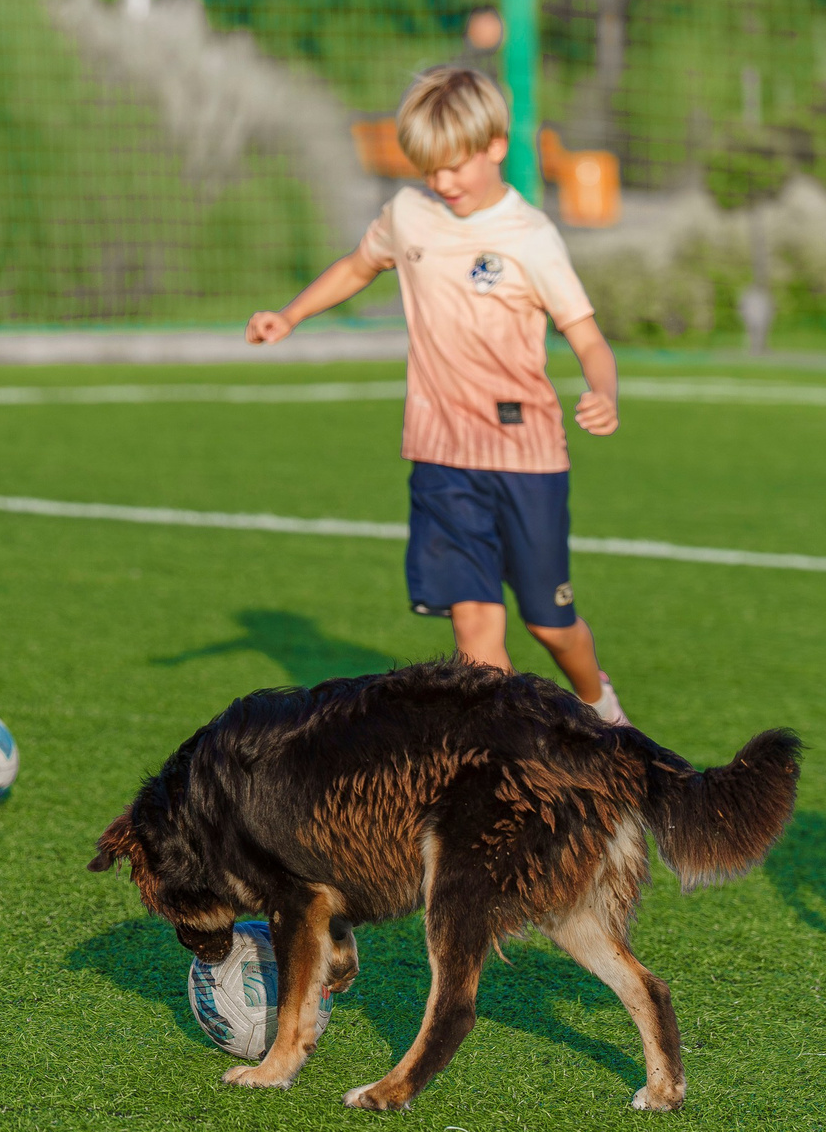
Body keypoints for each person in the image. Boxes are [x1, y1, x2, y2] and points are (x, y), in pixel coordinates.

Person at [245, 65, 628, 723]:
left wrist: (603, 392)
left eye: (454, 167)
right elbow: (358, 266)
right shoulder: (408, 215)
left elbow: (589, 337)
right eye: (430, 170)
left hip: (526, 457)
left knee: (550, 624)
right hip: (442, 456)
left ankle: (602, 709)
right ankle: (516, 760)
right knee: (476, 640)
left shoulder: (531, 237)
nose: (441, 183)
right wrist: (292, 314)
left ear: (496, 147)